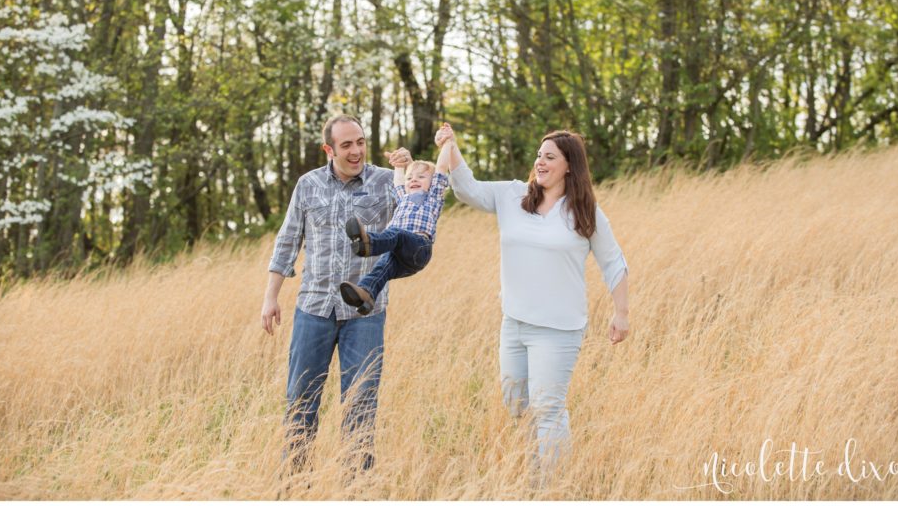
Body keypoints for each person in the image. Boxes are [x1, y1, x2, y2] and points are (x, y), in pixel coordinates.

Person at [434, 120, 629, 471]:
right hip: (514, 323)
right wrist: (450, 145)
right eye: (539, 155)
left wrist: (621, 313)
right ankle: (529, 478)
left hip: (558, 328)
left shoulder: (585, 213)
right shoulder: (513, 196)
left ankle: (552, 486)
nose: (540, 162)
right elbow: (468, 190)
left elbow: (613, 262)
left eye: (550, 157)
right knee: (517, 407)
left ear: (569, 165)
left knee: (548, 408)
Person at [260, 113, 413, 473]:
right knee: (301, 403)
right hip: (313, 309)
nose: (356, 150)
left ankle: (356, 489)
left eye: (360, 142)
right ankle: (294, 487)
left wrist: (406, 170)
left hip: (365, 315)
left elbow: (419, 206)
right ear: (329, 149)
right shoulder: (308, 185)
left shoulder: (387, 182)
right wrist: (271, 297)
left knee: (361, 406)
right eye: (347, 145)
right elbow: (287, 241)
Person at [339, 133, 456, 315]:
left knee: (396, 233)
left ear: (433, 182)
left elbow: (441, 167)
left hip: (419, 246)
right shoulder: (403, 198)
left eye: (421, 177)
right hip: (402, 257)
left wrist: (448, 143)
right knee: (381, 267)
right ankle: (366, 295)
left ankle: (368, 243)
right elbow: (398, 182)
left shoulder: (433, 196)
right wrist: (399, 167)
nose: (414, 180)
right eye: (410, 178)